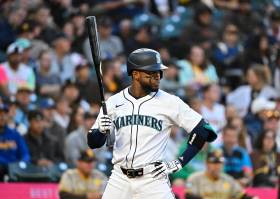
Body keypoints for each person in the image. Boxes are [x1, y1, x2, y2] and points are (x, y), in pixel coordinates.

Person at [87, 48, 217, 199]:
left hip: (152, 179)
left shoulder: (170, 101)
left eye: (159, 72)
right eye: (151, 72)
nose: (157, 76)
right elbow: (93, 142)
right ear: (135, 74)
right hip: (119, 178)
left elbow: (203, 130)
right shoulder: (114, 102)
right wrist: (101, 131)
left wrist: (179, 162)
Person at [186, 149, 253, 199]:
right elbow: (188, 196)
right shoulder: (195, 178)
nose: (217, 166)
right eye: (214, 163)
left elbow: (241, 195)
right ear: (206, 163)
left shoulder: (229, 180)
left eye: (220, 163)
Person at [0, 104, 30, 181]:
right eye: (0, 115)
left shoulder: (14, 134)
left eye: (4, 115)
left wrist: (21, 163)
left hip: (13, 170)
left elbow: (25, 154)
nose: (2, 117)